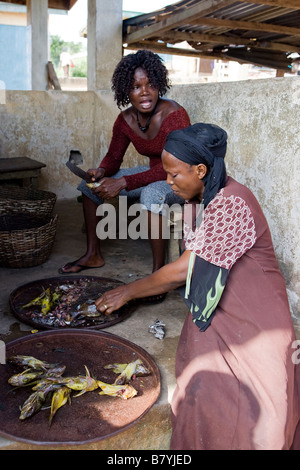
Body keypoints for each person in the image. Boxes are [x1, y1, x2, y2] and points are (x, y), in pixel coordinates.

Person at [95, 122, 300, 450]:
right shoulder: (196, 201)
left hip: (257, 314)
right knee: (199, 390)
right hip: (219, 303)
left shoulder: (233, 203)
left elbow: (182, 271)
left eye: (174, 174)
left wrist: (129, 291)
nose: (167, 181)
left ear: (201, 170)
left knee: (257, 415)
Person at [59, 50, 190, 301]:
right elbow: (114, 157)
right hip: (152, 174)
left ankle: (158, 275)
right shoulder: (125, 120)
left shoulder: (174, 115)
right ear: (125, 91)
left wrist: (123, 182)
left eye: (150, 84)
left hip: (178, 180)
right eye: (136, 86)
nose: (144, 92)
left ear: (159, 85)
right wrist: (102, 171)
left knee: (152, 193)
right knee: (89, 186)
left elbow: (173, 167)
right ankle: (93, 254)